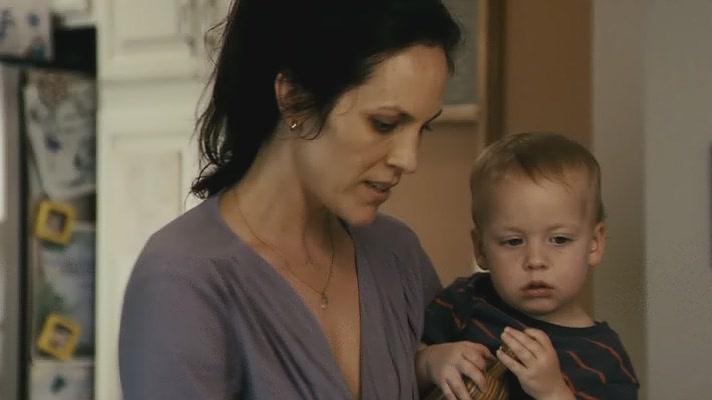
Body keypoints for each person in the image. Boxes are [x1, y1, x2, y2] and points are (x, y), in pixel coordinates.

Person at [118, 0, 461, 399]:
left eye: (423, 128)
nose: (409, 159)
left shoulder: (397, 255)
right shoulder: (183, 278)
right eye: (384, 124)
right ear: (294, 98)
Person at [417, 133, 639, 400]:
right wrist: (429, 362)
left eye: (559, 239)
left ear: (594, 244)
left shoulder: (604, 357)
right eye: (513, 241)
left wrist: (554, 392)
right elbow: (389, 369)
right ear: (481, 249)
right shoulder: (465, 300)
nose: (535, 261)